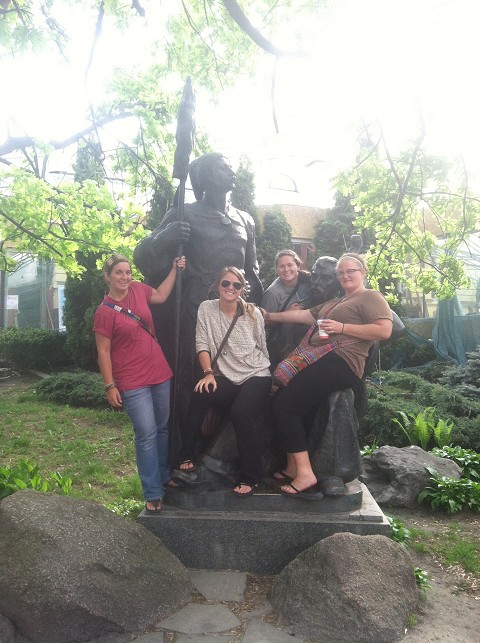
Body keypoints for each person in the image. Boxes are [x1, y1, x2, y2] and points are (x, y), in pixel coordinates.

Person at [133, 153, 263, 463]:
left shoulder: (245, 219)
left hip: (234, 314)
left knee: (235, 375)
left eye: (230, 166)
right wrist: (165, 237)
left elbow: (252, 271)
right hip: (195, 310)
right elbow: (142, 256)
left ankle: (226, 454)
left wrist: (262, 311)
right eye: (223, 167)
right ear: (205, 177)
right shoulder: (184, 213)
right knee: (192, 380)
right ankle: (185, 453)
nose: (231, 171)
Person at [263, 253, 393, 498]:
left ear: (363, 272)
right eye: (340, 272)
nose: (345, 275)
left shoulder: (371, 297)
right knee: (282, 399)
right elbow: (303, 316)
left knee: (285, 406)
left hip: (342, 363)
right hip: (323, 359)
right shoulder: (335, 303)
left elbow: (385, 330)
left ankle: (305, 474)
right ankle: (292, 466)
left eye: (350, 271)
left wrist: (342, 327)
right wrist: (267, 316)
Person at [93, 253, 186, 514]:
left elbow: (161, 295)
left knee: (162, 428)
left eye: (128, 272)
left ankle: (164, 475)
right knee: (146, 434)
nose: (125, 277)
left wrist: (174, 270)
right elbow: (103, 352)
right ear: (108, 276)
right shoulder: (104, 312)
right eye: (119, 272)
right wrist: (110, 386)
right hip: (132, 380)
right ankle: (152, 491)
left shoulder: (137, 289)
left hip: (159, 371)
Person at [177, 266, 271, 496]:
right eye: (226, 283)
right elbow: (202, 343)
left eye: (236, 285)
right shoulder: (206, 308)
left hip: (256, 374)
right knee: (201, 393)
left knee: (241, 412)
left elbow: (262, 346)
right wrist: (208, 373)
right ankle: (187, 454)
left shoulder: (253, 313)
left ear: (242, 289)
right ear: (217, 285)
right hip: (225, 375)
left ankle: (252, 476)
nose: (231, 288)